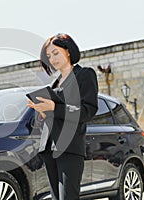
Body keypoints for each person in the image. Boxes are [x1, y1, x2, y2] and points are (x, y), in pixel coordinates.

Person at [27, 33, 98, 200]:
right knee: (56, 197)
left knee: (68, 197)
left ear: (68, 51)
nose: (52, 59)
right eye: (49, 56)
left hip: (70, 147)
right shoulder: (54, 84)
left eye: (56, 53)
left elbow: (88, 110)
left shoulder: (85, 75)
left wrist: (54, 107)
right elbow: (53, 116)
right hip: (49, 147)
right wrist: (43, 112)